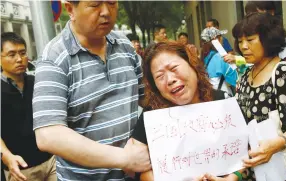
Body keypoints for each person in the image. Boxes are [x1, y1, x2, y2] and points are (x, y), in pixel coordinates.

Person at [32, 1, 151, 181]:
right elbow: (48, 134)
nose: (106, 12)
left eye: (111, 3)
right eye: (95, 4)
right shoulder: (55, 58)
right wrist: (125, 159)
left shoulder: (124, 45)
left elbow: (147, 98)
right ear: (70, 9)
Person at [131, 41, 242, 181]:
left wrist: (233, 177)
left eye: (174, 68)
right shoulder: (152, 116)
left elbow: (245, 150)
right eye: (160, 76)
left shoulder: (222, 101)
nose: (170, 80)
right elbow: (141, 171)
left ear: (192, 64)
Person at [233, 12, 286, 180]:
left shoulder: (283, 72)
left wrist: (277, 144)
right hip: (258, 169)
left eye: (250, 40)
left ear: (268, 39)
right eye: (240, 41)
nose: (243, 46)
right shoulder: (245, 76)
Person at [1, 32, 56, 181]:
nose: (19, 59)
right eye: (11, 54)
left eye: (22, 53)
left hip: (52, 162)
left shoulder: (37, 82)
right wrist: (6, 156)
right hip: (20, 169)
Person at [234, 1, 286, 71]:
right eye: (249, 14)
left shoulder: (282, 41)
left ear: (271, 13)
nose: (252, 18)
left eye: (256, 14)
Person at [200, 27, 238, 96]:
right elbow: (235, 79)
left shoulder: (203, 58)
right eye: (221, 37)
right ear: (216, 39)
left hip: (210, 97)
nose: (222, 39)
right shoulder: (221, 57)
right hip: (223, 98)